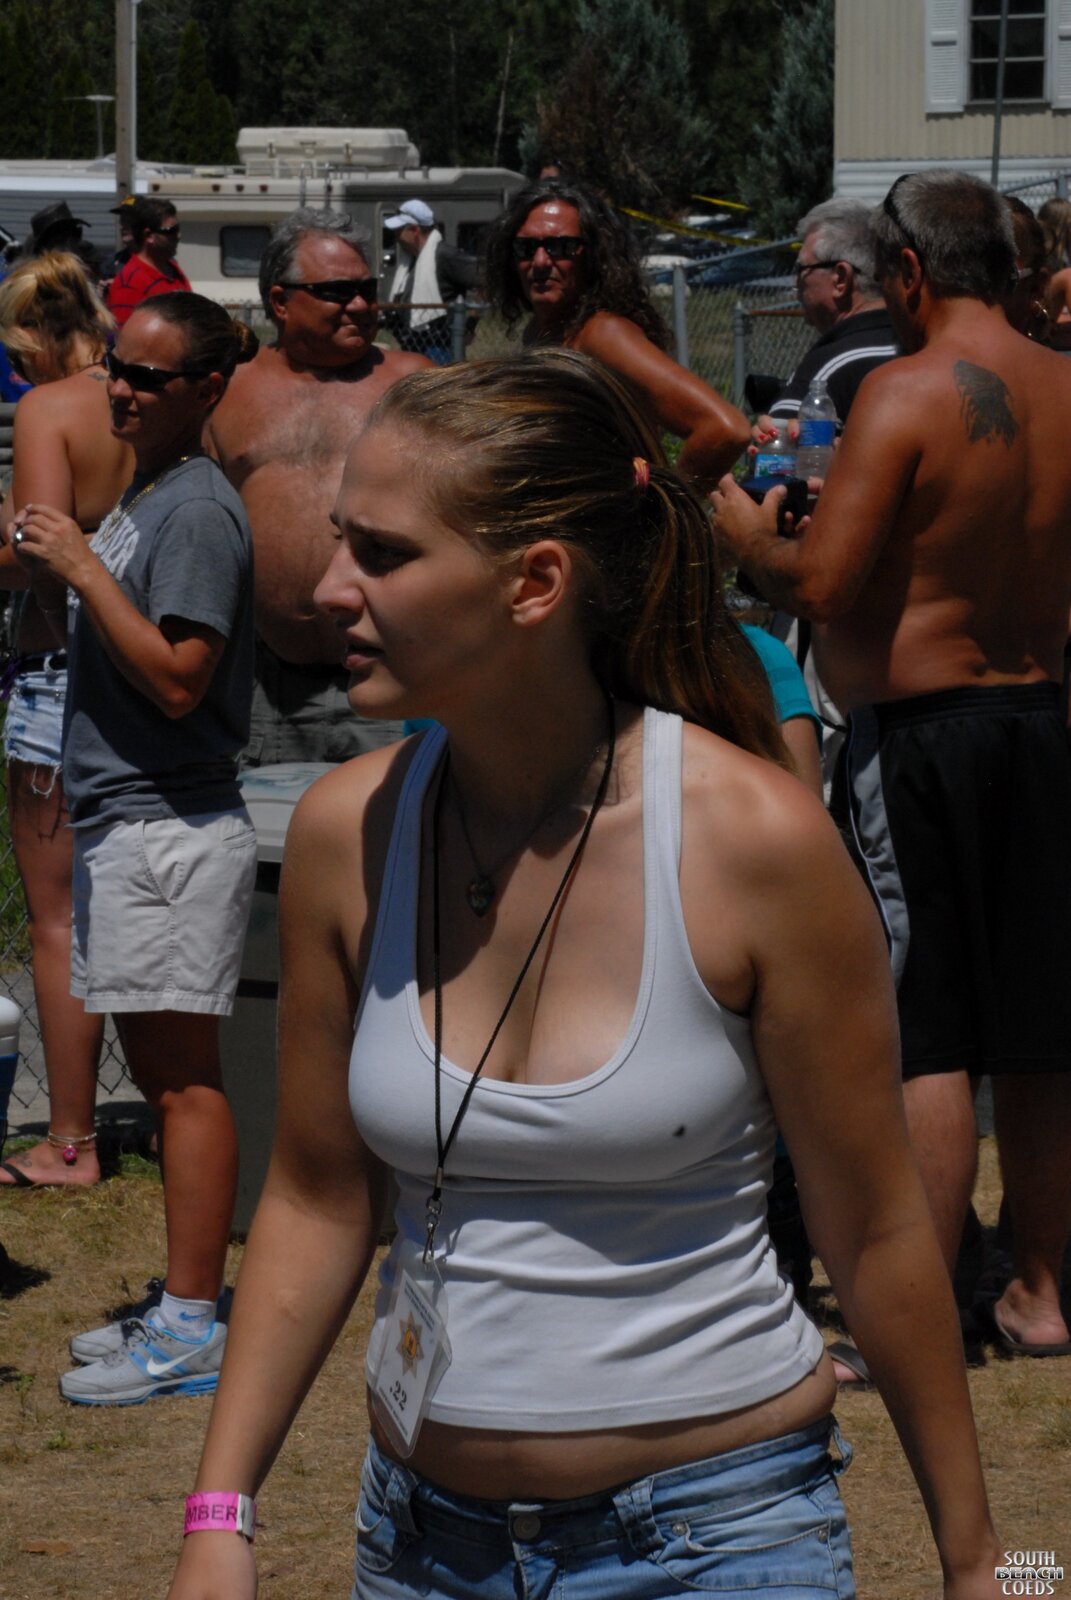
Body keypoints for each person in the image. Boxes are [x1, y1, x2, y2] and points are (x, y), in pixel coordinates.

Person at [167, 349, 999, 1600]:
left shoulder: (756, 842)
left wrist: (991, 1564)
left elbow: (877, 1231)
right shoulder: (352, 834)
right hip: (420, 1547)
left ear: (536, 582)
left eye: (382, 554)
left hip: (716, 1545)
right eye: (340, 541)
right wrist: (218, 1514)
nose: (330, 588)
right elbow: (317, 1196)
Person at [712, 168, 1071, 1366]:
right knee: (1040, 1033)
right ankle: (1039, 1293)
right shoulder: (1067, 385)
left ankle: (917, 1312)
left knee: (929, 1031)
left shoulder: (903, 392)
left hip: (922, 734)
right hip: (1041, 719)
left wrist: (745, 531)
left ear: (907, 271)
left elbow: (821, 584)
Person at [9, 293, 259, 1403]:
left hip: (170, 826)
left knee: (182, 1088)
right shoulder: (155, 491)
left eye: (149, 378)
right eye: (117, 366)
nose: (121, 389)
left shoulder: (195, 508)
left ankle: (194, 1323)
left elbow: (178, 677)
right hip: (131, 819)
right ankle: (180, 1304)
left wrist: (80, 566)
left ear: (206, 390)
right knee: (166, 1082)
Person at [206, 208, 432, 766]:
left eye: (366, 290)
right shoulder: (227, 393)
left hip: (391, 684)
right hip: (265, 690)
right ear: (281, 301)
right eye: (335, 292)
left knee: (393, 818)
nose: (359, 305)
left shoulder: (416, 385)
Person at [0, 252, 132, 1188]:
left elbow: (38, 548)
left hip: (62, 673)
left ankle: (70, 1139)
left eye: (17, 355)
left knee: (61, 919)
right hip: (151, 664)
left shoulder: (51, 409)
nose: (16, 374)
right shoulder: (141, 398)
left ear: (43, 336)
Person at [483, 178, 750, 490]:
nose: (541, 261)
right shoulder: (541, 331)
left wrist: (665, 507)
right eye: (525, 248)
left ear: (591, 255)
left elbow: (725, 429)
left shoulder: (602, 334)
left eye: (560, 247)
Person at [753, 198, 898, 441]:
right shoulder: (919, 346)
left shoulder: (830, 366)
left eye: (802, 270)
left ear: (840, 279)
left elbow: (780, 459)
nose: (795, 283)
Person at [382, 198, 477, 365]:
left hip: (441, 346)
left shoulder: (445, 255)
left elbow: (486, 286)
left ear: (414, 230)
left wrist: (470, 325)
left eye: (399, 230)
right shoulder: (410, 260)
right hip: (412, 344)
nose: (396, 237)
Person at [106, 198, 191, 328]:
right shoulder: (129, 283)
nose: (179, 236)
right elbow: (125, 336)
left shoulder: (174, 269)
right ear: (149, 235)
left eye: (178, 229)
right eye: (171, 231)